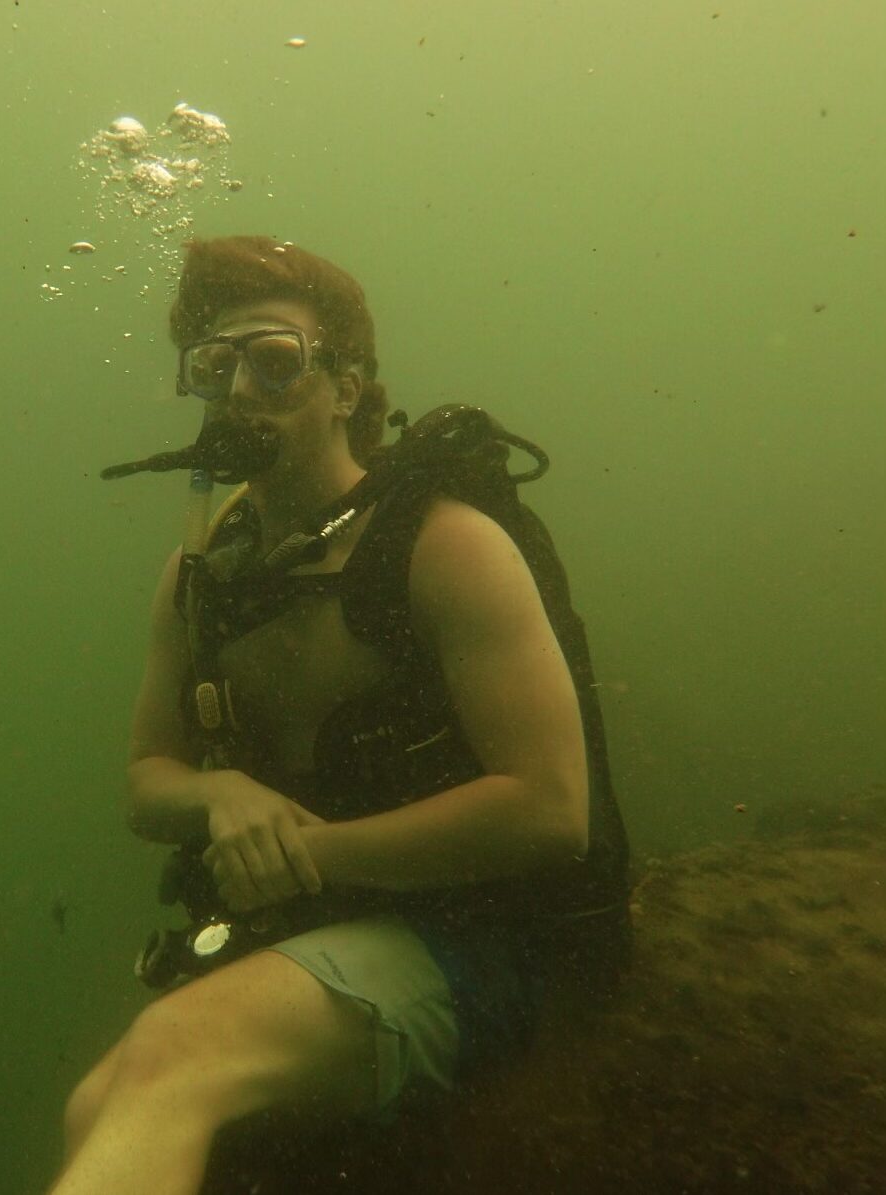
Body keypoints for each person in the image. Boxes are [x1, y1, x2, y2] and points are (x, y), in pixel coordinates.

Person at [47, 236, 629, 1195]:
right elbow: (147, 784)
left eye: (276, 360)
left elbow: (552, 809)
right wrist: (220, 794)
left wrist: (314, 856)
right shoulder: (204, 571)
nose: (240, 390)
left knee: (168, 1061)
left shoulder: (445, 547)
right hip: (328, 936)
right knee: (91, 1104)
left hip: (491, 942)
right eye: (215, 364)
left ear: (349, 387)